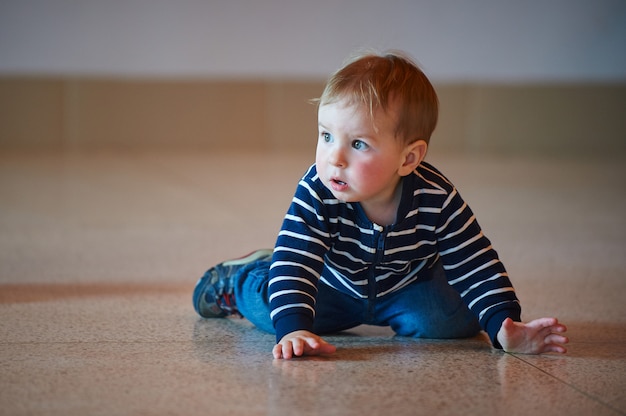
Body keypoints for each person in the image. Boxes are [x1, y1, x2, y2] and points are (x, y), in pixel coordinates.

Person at [193, 51, 569, 360]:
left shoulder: (436, 198)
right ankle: (240, 277)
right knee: (272, 306)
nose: (334, 158)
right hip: (329, 284)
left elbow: (475, 262)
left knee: (454, 321)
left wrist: (504, 323)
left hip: (406, 289)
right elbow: (299, 258)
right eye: (326, 136)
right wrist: (294, 329)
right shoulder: (317, 189)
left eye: (358, 144)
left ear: (408, 159)